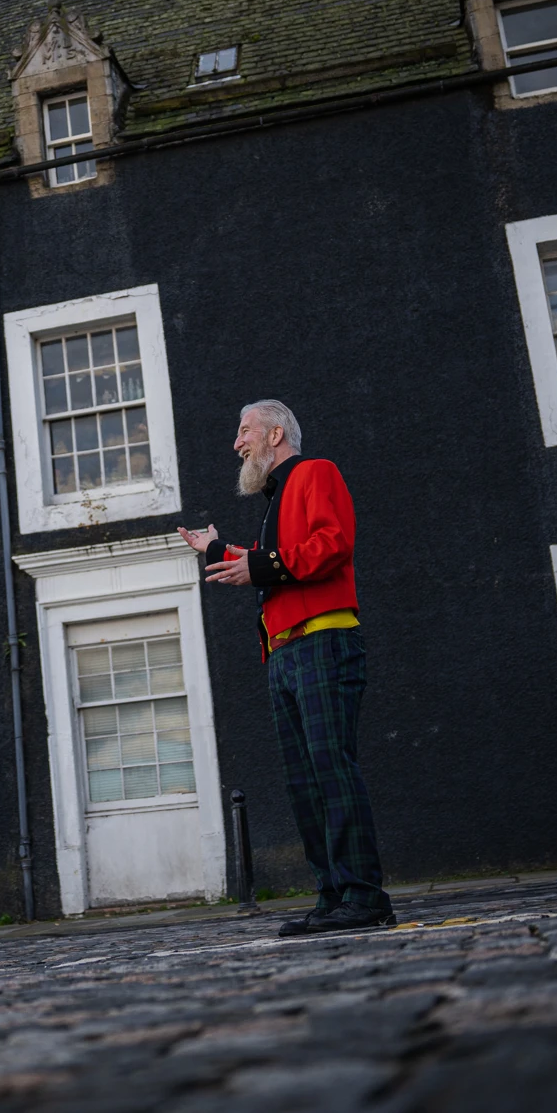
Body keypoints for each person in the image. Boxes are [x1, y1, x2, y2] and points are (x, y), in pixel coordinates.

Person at [178, 400, 395, 937]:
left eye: (244, 430)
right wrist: (218, 550)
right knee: (305, 784)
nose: (237, 443)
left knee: (331, 771)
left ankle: (365, 897)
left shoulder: (316, 472)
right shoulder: (277, 500)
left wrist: (255, 563)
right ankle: (333, 896)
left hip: (323, 641)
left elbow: (330, 546)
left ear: (276, 433)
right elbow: (272, 558)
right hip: (284, 654)